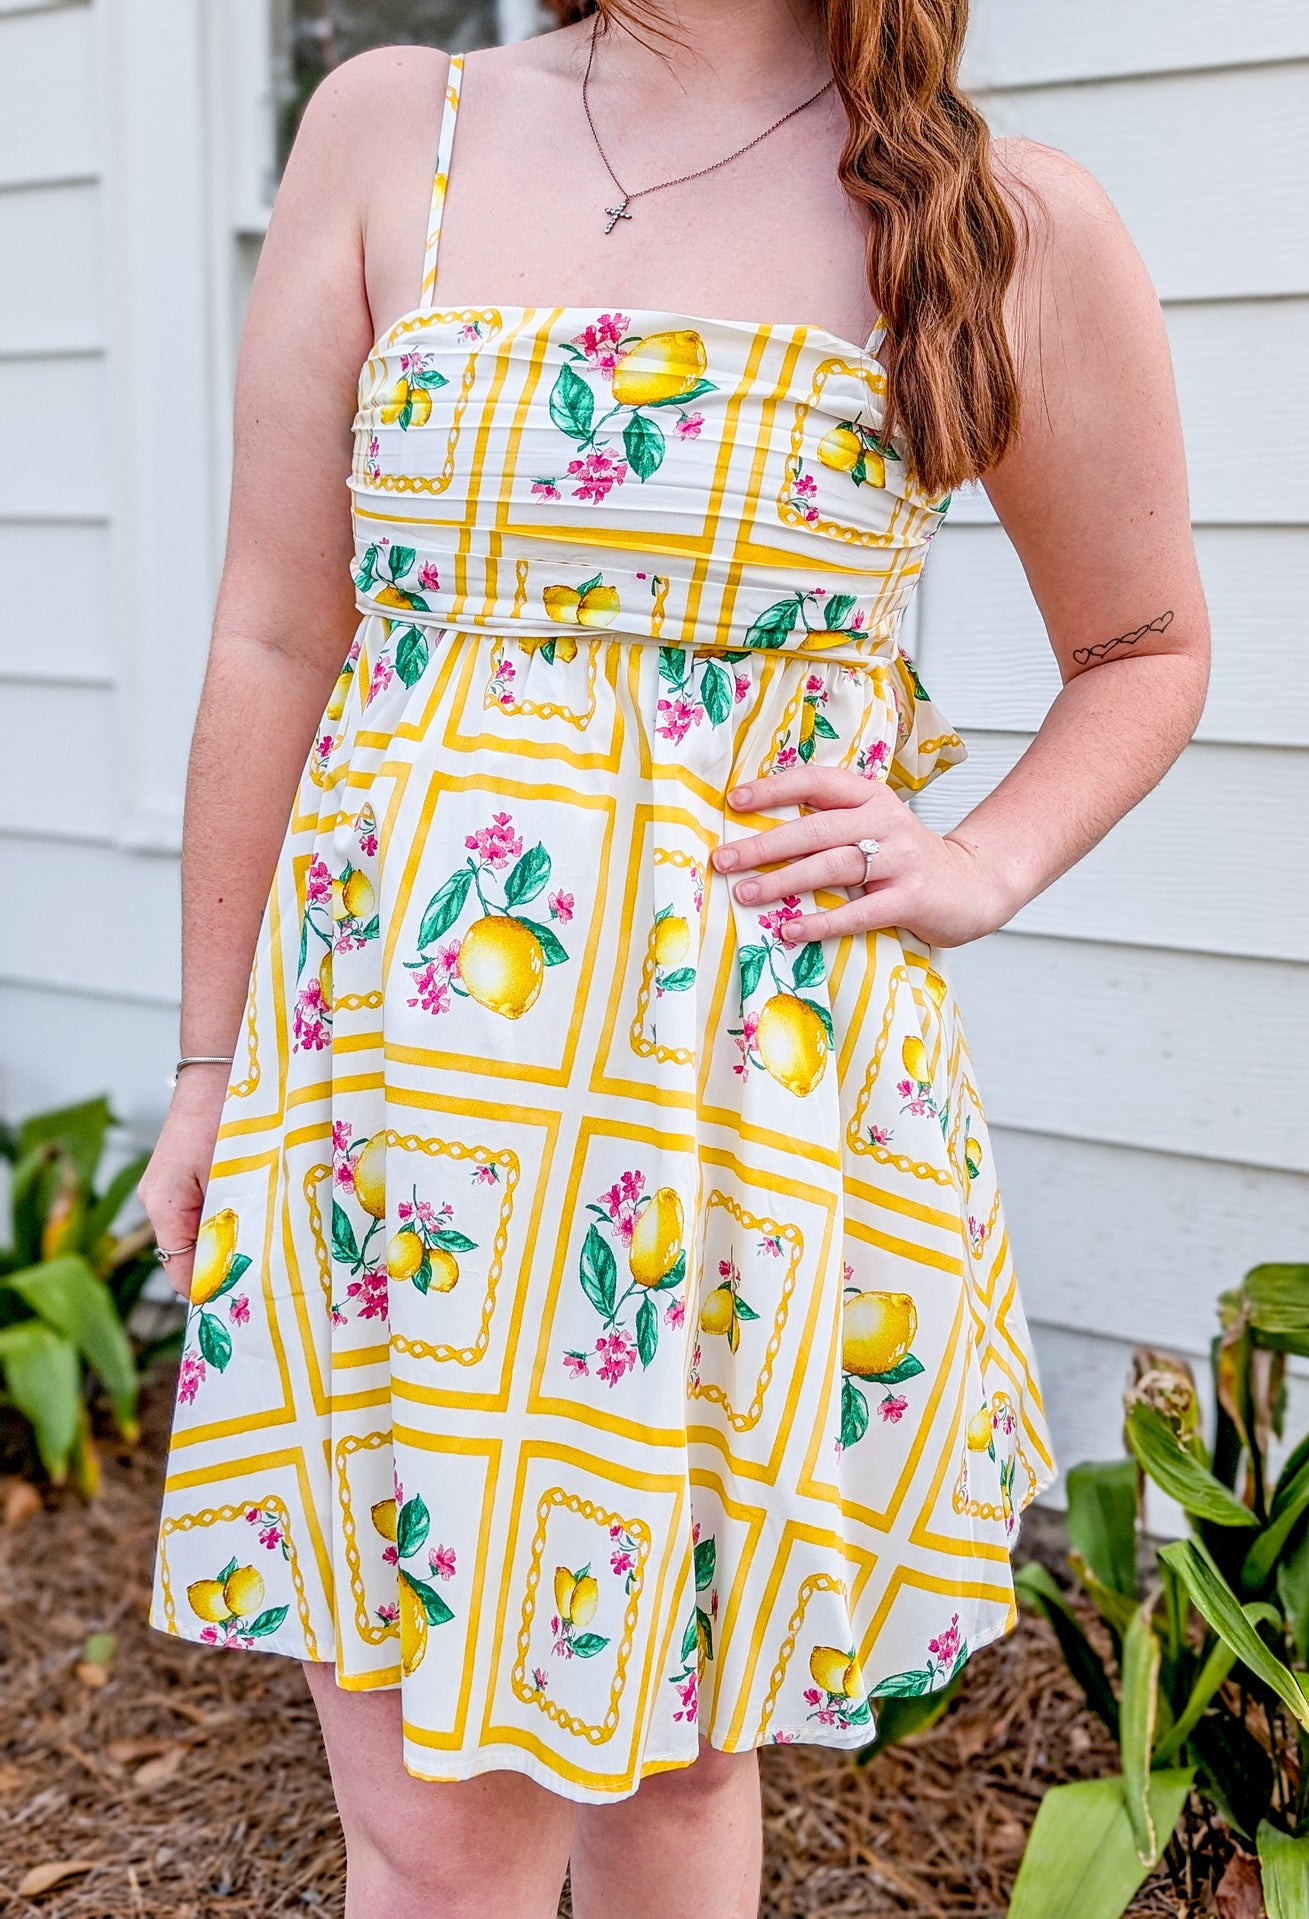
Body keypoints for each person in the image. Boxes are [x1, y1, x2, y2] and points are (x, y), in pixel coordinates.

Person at [138, 0, 1208, 1912]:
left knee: (677, 1770)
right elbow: (276, 635)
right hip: (390, 1091)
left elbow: (1141, 646)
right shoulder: (396, 126)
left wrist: (976, 863)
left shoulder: (992, 218)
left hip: (731, 1113)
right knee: (436, 1832)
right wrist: (209, 1071)